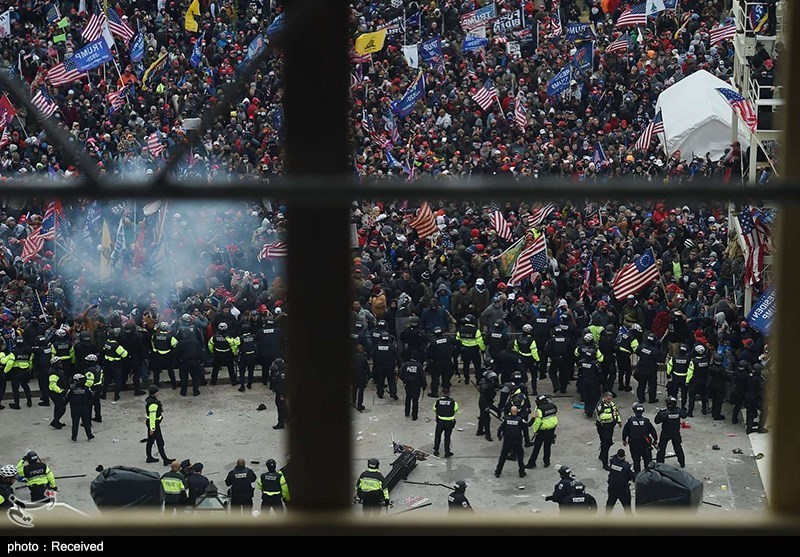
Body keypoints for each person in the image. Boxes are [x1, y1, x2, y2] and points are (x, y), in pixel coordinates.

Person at [622, 403, 658, 474]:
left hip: (634, 444)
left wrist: (624, 439)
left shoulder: (630, 421)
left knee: (636, 461)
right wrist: (655, 440)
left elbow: (625, 430)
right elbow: (653, 431)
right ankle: (647, 475)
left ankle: (637, 475)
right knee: (647, 461)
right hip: (645, 444)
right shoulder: (646, 421)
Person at [526, 394, 558, 469]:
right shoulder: (553, 406)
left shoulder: (539, 409)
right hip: (552, 429)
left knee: (537, 447)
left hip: (542, 431)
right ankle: (547, 462)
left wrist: (535, 431)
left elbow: (537, 422)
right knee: (547, 447)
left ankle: (532, 463)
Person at [494, 406, 527, 478]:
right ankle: (522, 472)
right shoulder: (519, 419)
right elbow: (525, 427)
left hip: (507, 441)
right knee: (520, 457)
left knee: (503, 457)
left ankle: (498, 472)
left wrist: (499, 436)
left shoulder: (505, 419)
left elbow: (500, 428)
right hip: (517, 441)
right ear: (517, 411)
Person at [145, 385, 174, 465]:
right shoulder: (153, 404)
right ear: (154, 393)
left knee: (150, 441)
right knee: (160, 442)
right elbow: (152, 417)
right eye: (157, 391)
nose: (159, 393)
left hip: (152, 424)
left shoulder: (151, 400)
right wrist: (152, 428)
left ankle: (149, 457)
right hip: (154, 425)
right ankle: (165, 460)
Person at [655, 396, 688, 468]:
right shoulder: (678, 411)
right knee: (678, 447)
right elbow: (684, 415)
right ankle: (682, 462)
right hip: (675, 432)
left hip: (665, 432)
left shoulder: (664, 413)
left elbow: (656, 421)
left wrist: (659, 413)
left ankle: (659, 464)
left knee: (661, 448)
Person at [426, 326, 457, 397]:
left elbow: (428, 353)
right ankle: (446, 389)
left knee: (435, 377)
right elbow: (457, 343)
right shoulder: (448, 338)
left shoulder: (432, 341)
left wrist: (429, 359)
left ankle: (434, 392)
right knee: (446, 376)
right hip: (447, 361)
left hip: (436, 362)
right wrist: (454, 353)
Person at [4, 337, 33, 409]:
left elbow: (10, 363)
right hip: (25, 371)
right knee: (25, 386)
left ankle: (17, 405)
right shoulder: (28, 351)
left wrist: (5, 372)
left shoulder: (14, 352)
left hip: (16, 372)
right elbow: (30, 361)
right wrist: (29, 369)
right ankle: (29, 401)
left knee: (15, 388)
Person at [174, 327, 204, 397]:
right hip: (194, 362)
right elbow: (200, 352)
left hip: (184, 362)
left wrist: (177, 362)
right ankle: (195, 391)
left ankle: (183, 391)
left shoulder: (180, 343)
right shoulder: (195, 342)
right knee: (195, 377)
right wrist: (201, 361)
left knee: (184, 377)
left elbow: (175, 353)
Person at [595, 392, 621, 471]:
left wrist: (618, 420)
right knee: (606, 444)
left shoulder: (611, 404)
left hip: (610, 426)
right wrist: (612, 416)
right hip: (603, 427)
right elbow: (601, 416)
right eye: (608, 399)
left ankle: (601, 455)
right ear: (605, 397)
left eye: (611, 399)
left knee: (607, 442)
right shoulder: (600, 405)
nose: (610, 400)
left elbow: (616, 412)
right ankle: (605, 463)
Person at [636, 333, 664, 404]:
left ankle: (641, 399)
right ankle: (652, 399)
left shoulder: (641, 347)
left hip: (641, 368)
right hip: (651, 370)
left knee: (641, 384)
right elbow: (660, 359)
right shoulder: (655, 351)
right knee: (652, 385)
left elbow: (637, 352)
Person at [456, 314, 484, 385]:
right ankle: (478, 380)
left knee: (466, 365)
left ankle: (466, 379)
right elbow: (480, 342)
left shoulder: (460, 330)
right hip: (474, 350)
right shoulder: (476, 330)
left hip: (464, 350)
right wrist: (483, 349)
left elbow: (457, 340)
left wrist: (459, 349)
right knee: (477, 366)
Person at [371, 331, 400, 400]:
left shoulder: (377, 347)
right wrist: (399, 366)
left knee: (380, 381)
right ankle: (393, 393)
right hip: (390, 367)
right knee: (391, 381)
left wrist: (375, 364)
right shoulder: (392, 347)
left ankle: (380, 393)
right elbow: (397, 357)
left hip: (379, 366)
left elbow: (373, 355)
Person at [66, 374, 94, 442]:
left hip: (74, 409)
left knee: (75, 423)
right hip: (84, 408)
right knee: (86, 423)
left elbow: (67, 398)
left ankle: (74, 437)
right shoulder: (86, 388)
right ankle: (89, 436)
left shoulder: (71, 389)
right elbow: (91, 398)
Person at [102, 327, 129, 400]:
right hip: (116, 365)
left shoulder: (106, 343)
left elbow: (104, 350)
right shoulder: (117, 346)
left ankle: (103, 394)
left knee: (106, 380)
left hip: (107, 364)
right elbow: (125, 354)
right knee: (117, 381)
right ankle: (116, 396)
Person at [256, 316, 284, 385]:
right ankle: (272, 383)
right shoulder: (278, 331)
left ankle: (265, 381)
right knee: (275, 368)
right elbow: (282, 341)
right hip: (276, 353)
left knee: (265, 368)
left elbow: (256, 341)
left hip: (264, 354)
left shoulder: (260, 332)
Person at [606, 449, 635, 513]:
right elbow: (632, 476)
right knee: (627, 508)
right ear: (624, 456)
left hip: (612, 488)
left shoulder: (612, 462)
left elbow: (612, 457)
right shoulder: (626, 466)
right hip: (623, 489)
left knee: (609, 505)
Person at [666, 344, 694, 410]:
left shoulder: (674, 357)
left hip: (675, 377)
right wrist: (688, 381)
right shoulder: (689, 359)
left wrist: (668, 373)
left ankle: (673, 406)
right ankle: (683, 407)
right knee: (684, 394)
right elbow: (690, 370)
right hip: (684, 377)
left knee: (674, 392)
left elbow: (669, 366)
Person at [513, 323, 539, 390]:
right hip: (531, 359)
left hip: (522, 358)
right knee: (534, 375)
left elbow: (516, 348)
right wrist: (537, 359)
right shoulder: (531, 340)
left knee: (523, 374)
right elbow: (534, 351)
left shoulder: (518, 339)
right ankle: (534, 389)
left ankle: (522, 388)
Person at [616, 324, 641, 392]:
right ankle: (627, 386)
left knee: (621, 371)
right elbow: (636, 350)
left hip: (618, 354)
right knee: (628, 371)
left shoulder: (624, 334)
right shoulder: (633, 339)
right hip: (625, 356)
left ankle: (620, 385)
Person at [745, 363, 768, 434]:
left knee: (750, 412)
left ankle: (749, 427)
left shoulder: (750, 376)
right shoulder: (759, 380)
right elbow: (761, 391)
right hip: (756, 398)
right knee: (765, 411)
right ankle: (760, 428)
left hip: (748, 396)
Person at [687, 344, 710, 417]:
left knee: (692, 396)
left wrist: (687, 381)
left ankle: (690, 412)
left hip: (695, 380)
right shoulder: (706, 360)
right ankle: (704, 409)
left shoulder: (694, 361)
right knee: (703, 395)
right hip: (704, 380)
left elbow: (690, 372)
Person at [476, 370, 498, 441]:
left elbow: (495, 385)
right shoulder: (485, 386)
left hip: (488, 401)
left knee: (482, 417)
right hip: (484, 403)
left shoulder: (489, 382)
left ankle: (479, 431)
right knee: (487, 419)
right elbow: (483, 398)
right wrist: (486, 407)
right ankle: (487, 435)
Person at [236, 324, 259, 391]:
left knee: (242, 372)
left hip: (243, 356)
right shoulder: (253, 336)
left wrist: (236, 353)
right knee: (251, 371)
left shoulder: (240, 338)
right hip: (252, 356)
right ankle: (249, 384)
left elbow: (235, 345)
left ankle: (242, 386)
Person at [48, 358, 68, 429]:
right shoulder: (53, 373)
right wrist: (60, 391)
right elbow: (53, 385)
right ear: (54, 364)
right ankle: (55, 422)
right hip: (55, 393)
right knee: (61, 408)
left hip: (59, 392)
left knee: (59, 408)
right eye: (59, 363)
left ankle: (56, 421)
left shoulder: (58, 370)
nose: (60, 364)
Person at [707, 353, 727, 421]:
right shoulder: (722, 370)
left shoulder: (710, 367)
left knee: (714, 400)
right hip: (719, 387)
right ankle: (716, 415)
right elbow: (726, 377)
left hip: (711, 385)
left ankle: (713, 412)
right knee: (718, 402)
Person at [84, 354, 104, 422]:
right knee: (97, 404)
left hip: (92, 389)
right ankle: (98, 417)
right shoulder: (98, 367)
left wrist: (85, 388)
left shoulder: (90, 370)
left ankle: (87, 421)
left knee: (88, 406)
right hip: (99, 387)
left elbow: (89, 382)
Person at [269, 358, 288, 429]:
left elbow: (282, 385)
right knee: (282, 406)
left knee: (281, 407)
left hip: (281, 393)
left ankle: (281, 423)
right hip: (279, 392)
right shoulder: (279, 371)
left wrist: (282, 395)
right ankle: (286, 418)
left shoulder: (282, 374)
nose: (275, 366)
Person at [352, 345, 370, 412]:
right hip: (361, 377)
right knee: (361, 392)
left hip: (353, 376)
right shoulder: (364, 359)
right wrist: (369, 376)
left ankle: (353, 401)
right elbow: (367, 369)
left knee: (354, 389)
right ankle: (359, 405)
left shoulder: (352, 358)